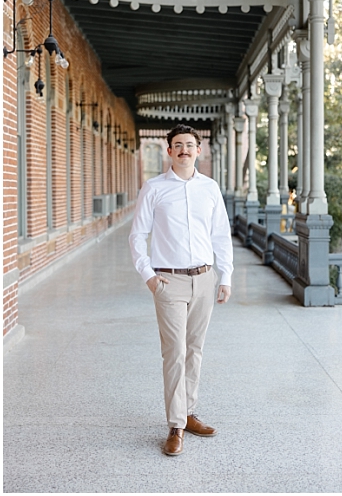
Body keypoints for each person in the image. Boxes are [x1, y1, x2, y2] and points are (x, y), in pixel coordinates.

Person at [130, 124, 233, 456]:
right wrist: (148, 275)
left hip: (204, 278)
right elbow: (137, 236)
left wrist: (225, 275)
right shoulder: (154, 188)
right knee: (174, 352)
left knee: (195, 349)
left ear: (198, 150)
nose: (185, 150)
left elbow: (221, 235)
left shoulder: (210, 188)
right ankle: (175, 425)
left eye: (190, 144)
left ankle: (188, 413)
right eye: (178, 145)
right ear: (169, 151)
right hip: (168, 280)